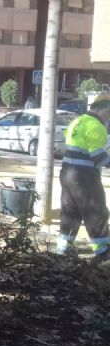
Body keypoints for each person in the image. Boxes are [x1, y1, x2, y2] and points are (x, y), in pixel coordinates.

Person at [59, 93, 110, 265]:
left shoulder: (78, 121)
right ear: (103, 109)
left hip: (67, 173)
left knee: (70, 212)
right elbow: (99, 157)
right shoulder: (96, 126)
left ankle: (64, 248)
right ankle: (103, 252)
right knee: (96, 211)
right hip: (84, 176)